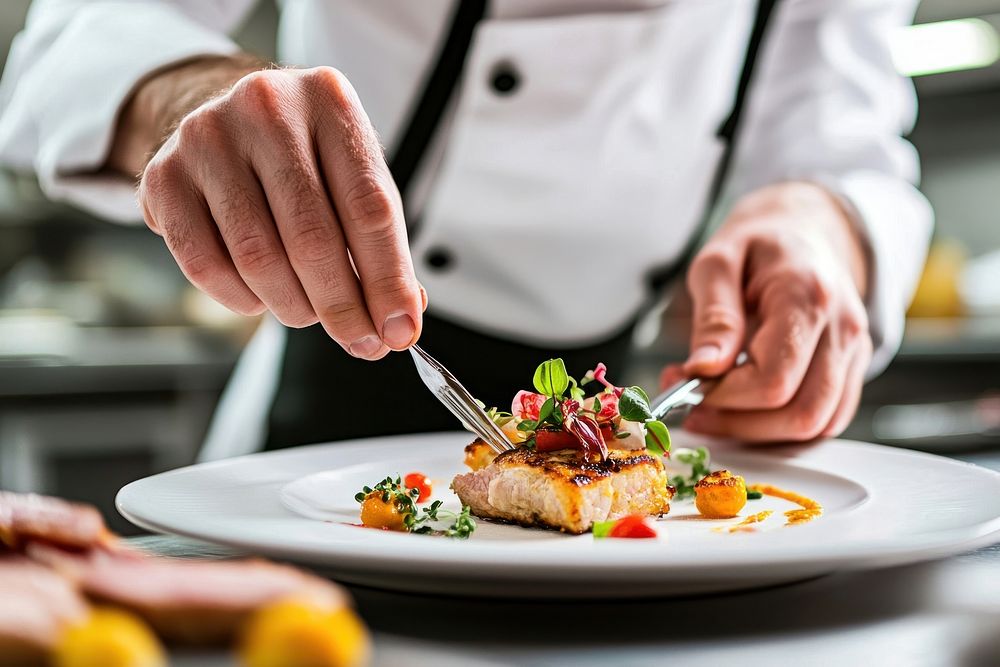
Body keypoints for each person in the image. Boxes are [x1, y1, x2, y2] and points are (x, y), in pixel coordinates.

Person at [0, 0, 932, 458]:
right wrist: (187, 94)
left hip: (630, 415)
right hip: (324, 407)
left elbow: (843, 139)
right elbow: (70, 38)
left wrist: (823, 224)